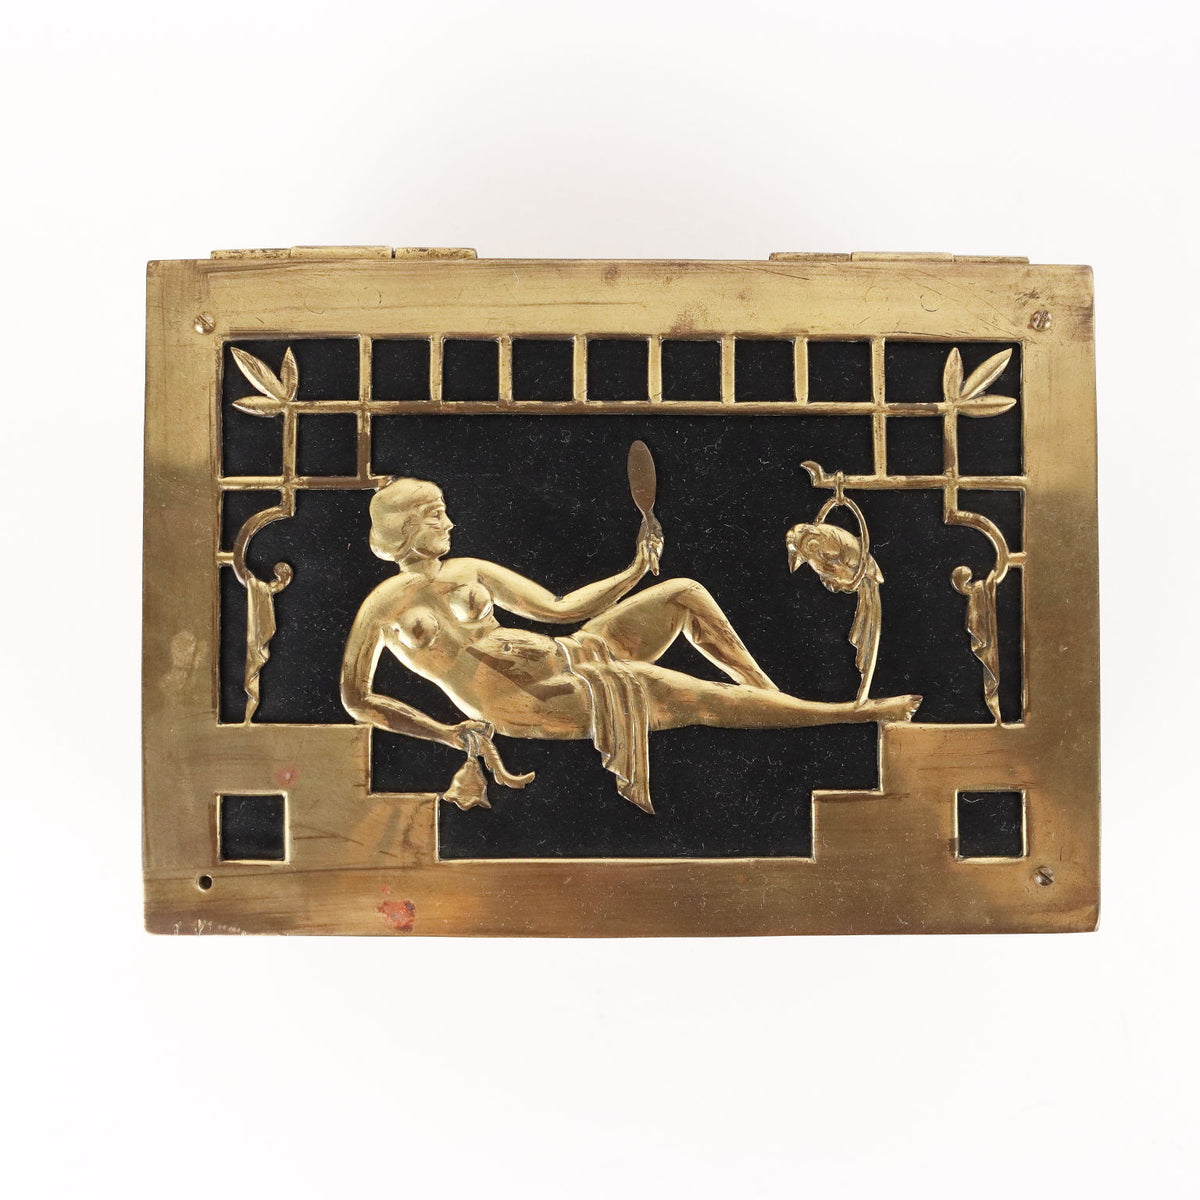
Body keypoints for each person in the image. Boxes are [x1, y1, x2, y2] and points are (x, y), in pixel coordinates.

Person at [341, 477, 920, 812]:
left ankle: (772, 702)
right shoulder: (382, 606)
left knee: (683, 592)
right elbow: (356, 699)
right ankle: (853, 714)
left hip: (565, 654)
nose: (449, 525)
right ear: (406, 526)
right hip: (528, 702)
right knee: (687, 695)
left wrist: (636, 569)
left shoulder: (470, 569)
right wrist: (446, 733)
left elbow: (562, 609)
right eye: (437, 516)